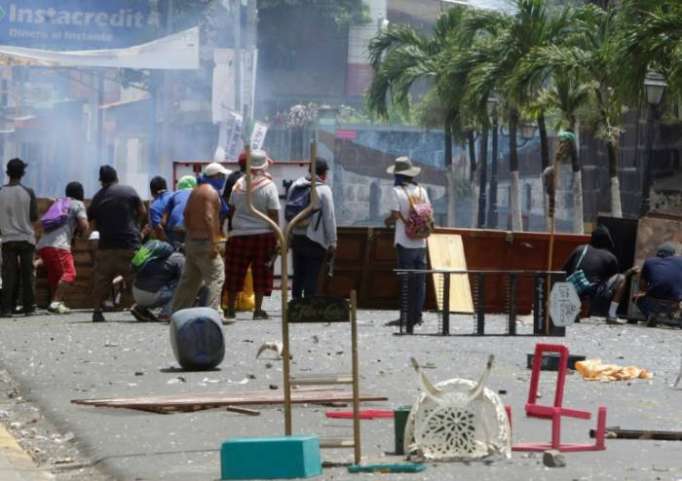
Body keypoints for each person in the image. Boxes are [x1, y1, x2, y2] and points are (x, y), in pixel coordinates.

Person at [225, 150, 280, 320]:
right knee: (261, 272)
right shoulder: (269, 186)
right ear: (264, 165)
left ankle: (231, 308)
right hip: (263, 234)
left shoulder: (238, 186)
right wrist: (277, 237)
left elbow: (231, 211)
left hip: (238, 234)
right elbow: (273, 214)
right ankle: (258, 310)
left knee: (235, 272)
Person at [88, 166, 146, 323]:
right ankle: (139, 307)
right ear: (116, 177)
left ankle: (97, 311)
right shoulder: (129, 191)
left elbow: (90, 219)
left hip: (106, 245)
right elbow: (142, 211)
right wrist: (136, 227)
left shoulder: (97, 197)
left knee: (101, 280)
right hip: (129, 243)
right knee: (135, 278)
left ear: (101, 181)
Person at [171, 162, 230, 317]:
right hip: (205, 242)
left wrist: (191, 234)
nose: (223, 179)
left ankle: (177, 312)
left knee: (190, 280)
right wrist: (214, 243)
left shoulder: (196, 192)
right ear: (216, 176)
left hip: (192, 241)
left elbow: (186, 215)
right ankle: (213, 313)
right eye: (222, 176)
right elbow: (209, 217)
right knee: (217, 276)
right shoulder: (211, 192)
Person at [384, 156, 431, 333]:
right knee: (420, 281)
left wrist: (387, 221)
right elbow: (427, 213)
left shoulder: (396, 191)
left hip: (404, 241)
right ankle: (417, 315)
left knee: (406, 279)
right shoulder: (421, 190)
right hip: (421, 242)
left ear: (398, 175)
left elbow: (395, 215)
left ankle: (405, 316)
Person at [36, 182, 89, 314]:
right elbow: (84, 225)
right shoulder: (78, 204)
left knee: (57, 276)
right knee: (70, 274)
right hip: (58, 245)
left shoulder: (59, 203)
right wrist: (81, 231)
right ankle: (55, 303)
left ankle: (58, 304)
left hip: (43, 245)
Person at [288, 158, 337, 299]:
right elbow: (329, 217)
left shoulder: (296, 185)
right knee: (312, 272)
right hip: (315, 238)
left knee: (298, 272)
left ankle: (295, 303)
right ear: (324, 173)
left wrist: (288, 233)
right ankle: (309, 305)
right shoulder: (324, 189)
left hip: (297, 236)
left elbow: (288, 212)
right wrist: (333, 241)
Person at [563, 224, 625, 324]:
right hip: (593, 293)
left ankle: (573, 309)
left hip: (572, 290)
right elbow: (613, 278)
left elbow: (564, 270)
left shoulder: (579, 249)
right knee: (621, 278)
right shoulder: (610, 257)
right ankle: (611, 315)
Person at [0, 158, 38, 316]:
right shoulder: (28, 192)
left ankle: (6, 309)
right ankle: (28, 308)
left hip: (8, 239)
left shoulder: (0, 192)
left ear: (7, 172)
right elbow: (34, 216)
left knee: (9, 275)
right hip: (26, 239)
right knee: (27, 274)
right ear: (22, 173)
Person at [131, 240, 185, 322]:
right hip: (152, 296)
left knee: (161, 280)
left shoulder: (153, 258)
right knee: (182, 285)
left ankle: (140, 308)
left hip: (136, 294)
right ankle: (166, 313)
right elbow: (185, 278)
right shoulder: (179, 258)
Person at [633, 243, 682, 324]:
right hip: (675, 299)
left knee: (636, 298)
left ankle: (650, 315)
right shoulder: (680, 261)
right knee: (677, 297)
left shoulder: (649, 261)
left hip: (654, 298)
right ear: (673, 254)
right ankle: (672, 313)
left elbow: (642, 287)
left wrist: (646, 290)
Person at [163, 175, 197, 248]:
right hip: (192, 228)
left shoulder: (174, 194)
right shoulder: (197, 194)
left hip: (175, 227)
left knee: (175, 252)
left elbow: (164, 219)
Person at [147, 176, 173, 241]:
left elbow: (159, 229)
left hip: (171, 240)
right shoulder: (175, 195)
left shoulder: (154, 207)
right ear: (166, 187)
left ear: (152, 192)